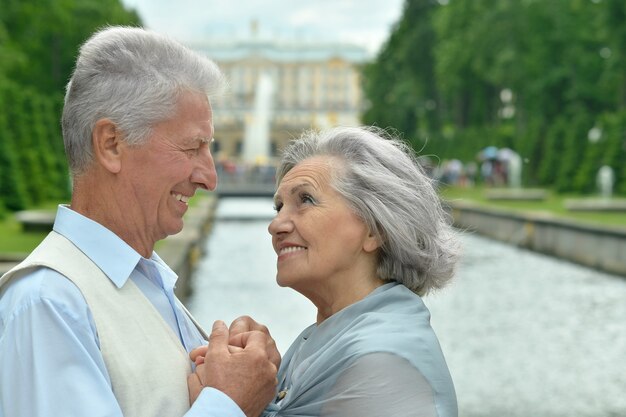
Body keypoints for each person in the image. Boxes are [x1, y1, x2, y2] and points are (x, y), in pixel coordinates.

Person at [0, 26, 279, 417]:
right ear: (111, 144)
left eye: (209, 148)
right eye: (192, 147)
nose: (210, 177)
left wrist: (243, 378)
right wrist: (230, 402)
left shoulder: (138, 279)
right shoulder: (50, 303)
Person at [192, 126, 460, 416]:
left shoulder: (382, 361)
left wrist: (222, 402)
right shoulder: (331, 339)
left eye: (305, 200)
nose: (276, 225)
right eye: (279, 207)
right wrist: (247, 379)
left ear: (375, 229)